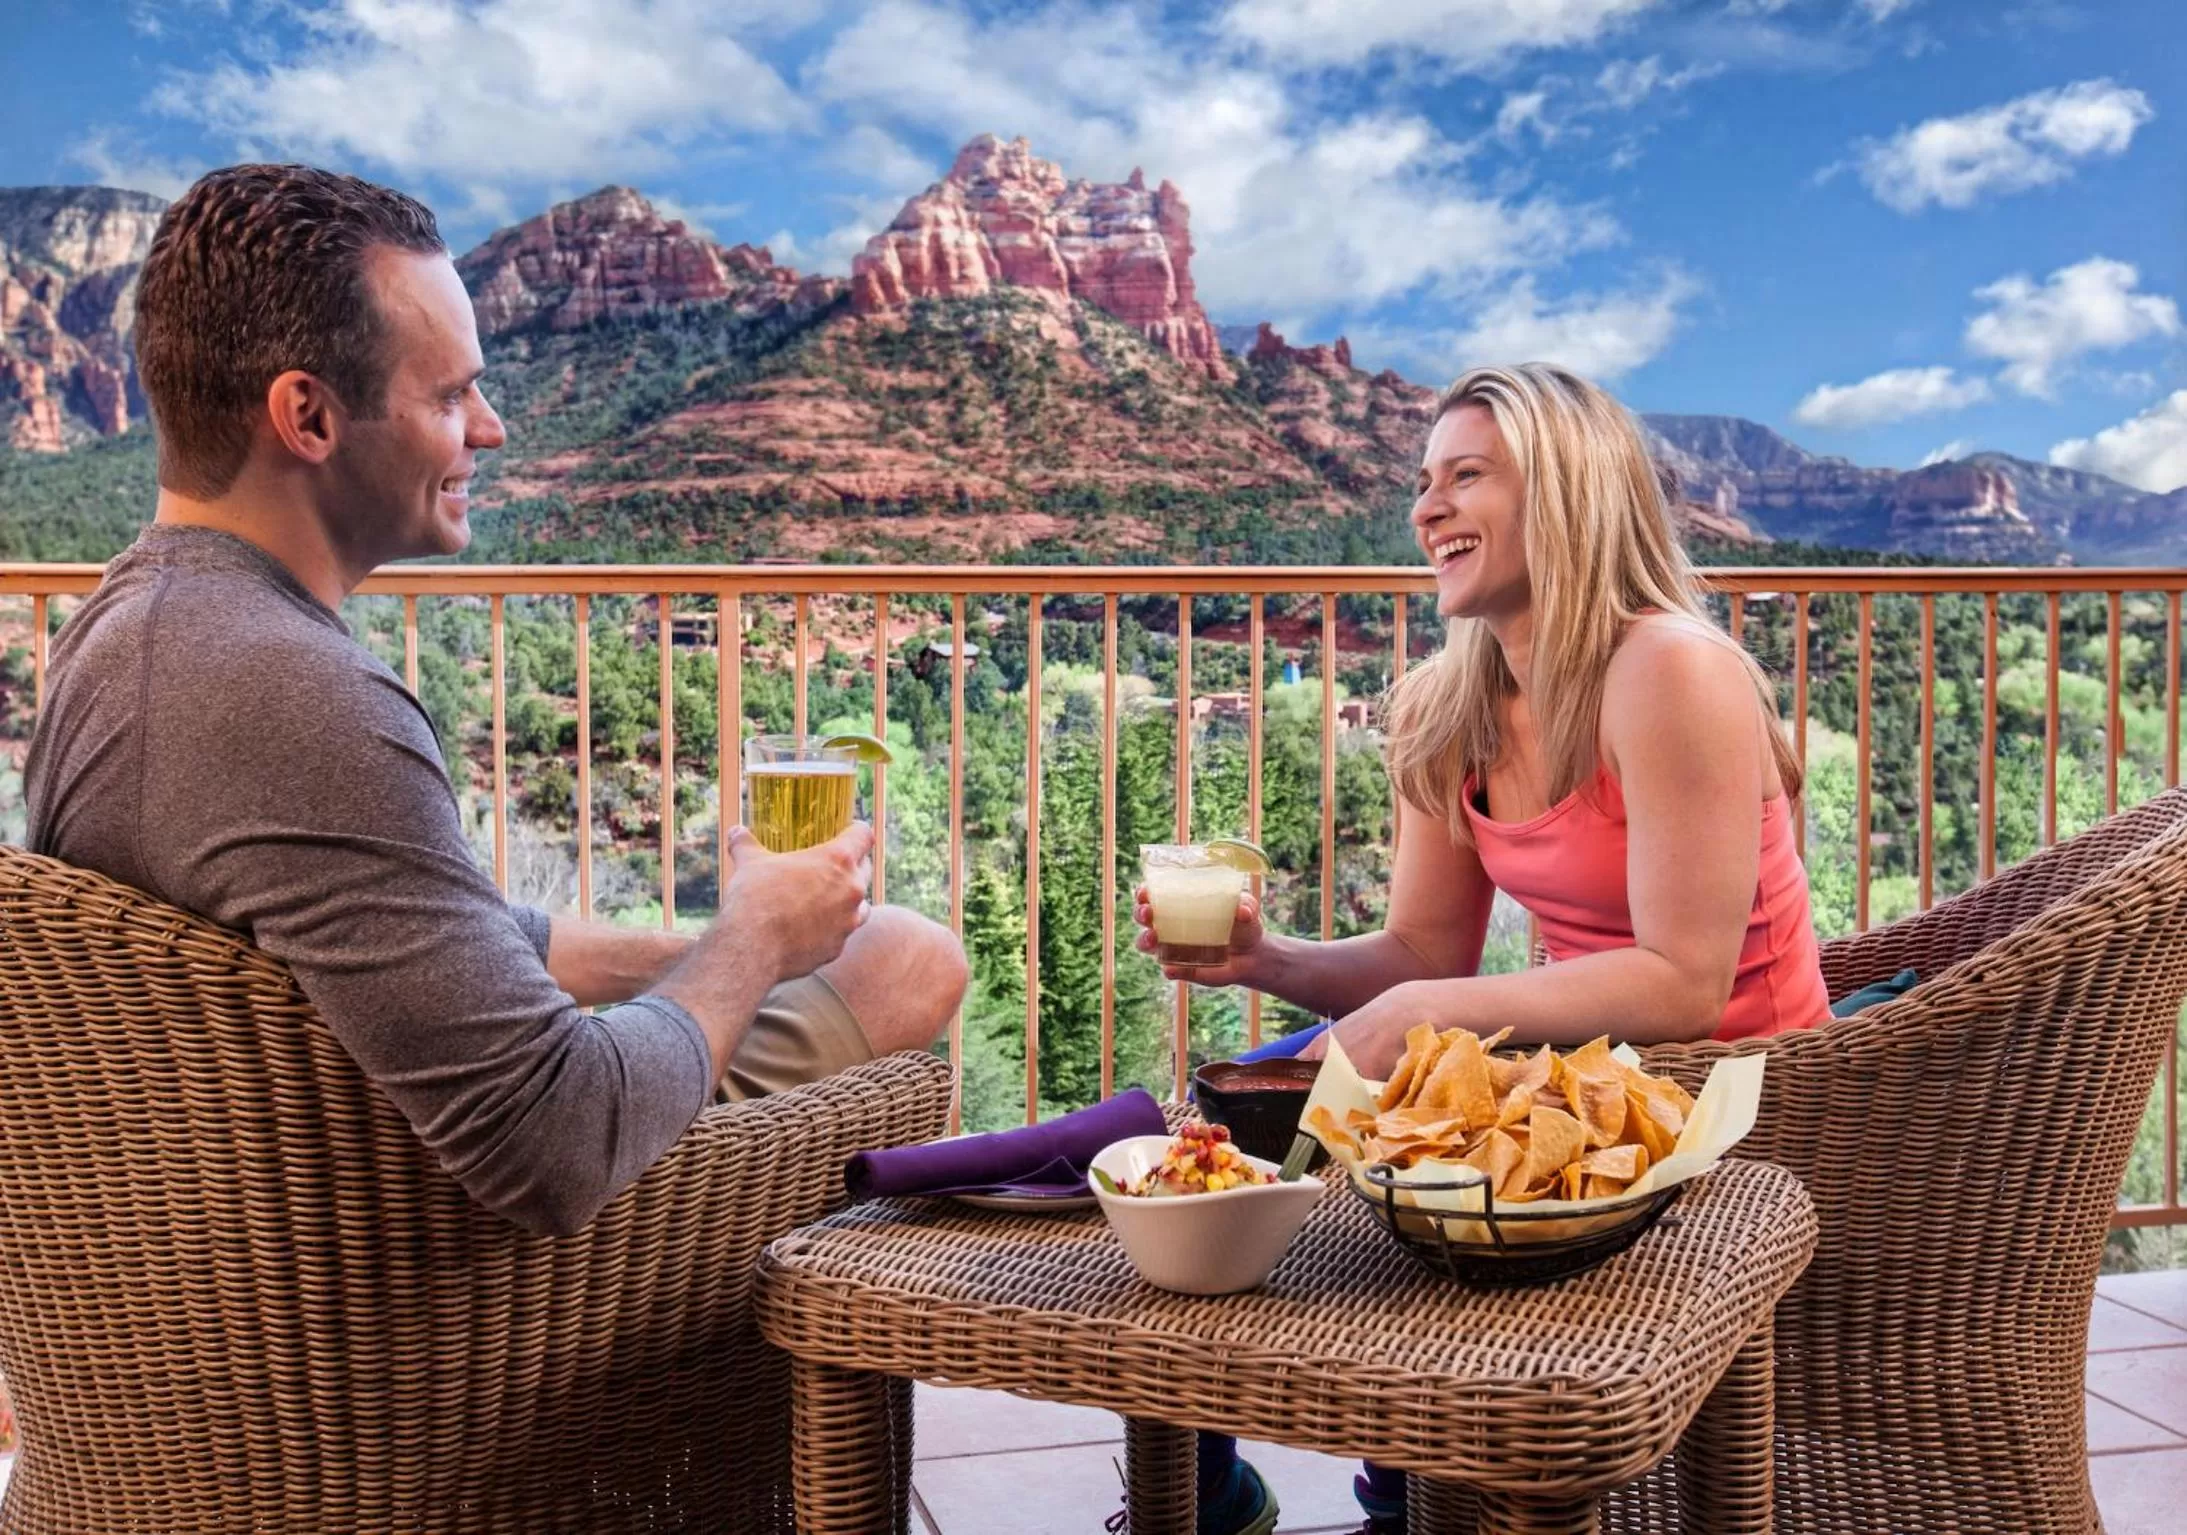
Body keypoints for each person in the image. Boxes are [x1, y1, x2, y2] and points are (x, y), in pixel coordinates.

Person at [23, 164, 966, 1238]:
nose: (492, 427)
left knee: (866, 941)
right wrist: (746, 943)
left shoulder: (127, 630)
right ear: (309, 416)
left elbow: (411, 922)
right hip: (452, 1286)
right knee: (907, 960)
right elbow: (556, 1142)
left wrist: (697, 949)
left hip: (274, 1237)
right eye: (448, 394)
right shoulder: (300, 697)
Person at [1134, 361, 1829, 1535]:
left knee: (1335, 1139)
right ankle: (1209, 1492)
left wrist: (1430, 1015)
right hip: (1561, 1078)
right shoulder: (1445, 704)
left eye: (1467, 476)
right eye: (1422, 482)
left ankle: (1405, 1488)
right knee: (1189, 1141)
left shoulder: (1670, 670)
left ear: (1566, 492)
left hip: (1745, 1097)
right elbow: (1418, 946)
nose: (1426, 507)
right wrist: (1266, 958)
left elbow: (1686, 981)